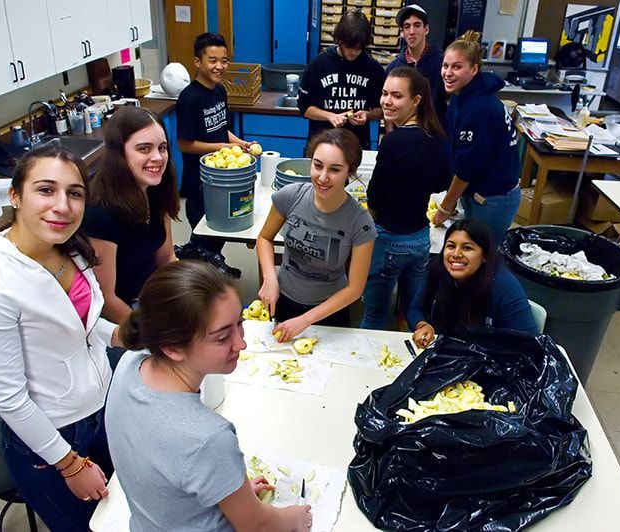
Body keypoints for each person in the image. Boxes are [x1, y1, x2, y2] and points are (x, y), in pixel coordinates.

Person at [0, 146, 119, 530]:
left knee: (121, 515)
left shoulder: (67, 249)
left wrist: (126, 336)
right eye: (46, 190)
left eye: (74, 193)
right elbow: (8, 399)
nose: (62, 206)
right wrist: (69, 464)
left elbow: (81, 324)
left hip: (99, 410)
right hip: (49, 440)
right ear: (14, 195)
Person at [105, 261, 313, 531]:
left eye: (240, 323)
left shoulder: (129, 364)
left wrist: (228, 489)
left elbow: (165, 468)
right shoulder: (209, 438)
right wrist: (296, 518)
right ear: (173, 348)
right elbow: (259, 526)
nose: (241, 343)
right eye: (222, 337)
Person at [257, 129, 377, 341]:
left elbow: (355, 289)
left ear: (350, 172)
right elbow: (264, 238)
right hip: (284, 300)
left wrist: (305, 320)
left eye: (335, 169)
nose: (323, 177)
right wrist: (269, 278)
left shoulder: (360, 221)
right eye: (318, 165)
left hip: (330, 312)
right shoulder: (290, 196)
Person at [360, 67, 449, 330]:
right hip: (420, 240)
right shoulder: (436, 136)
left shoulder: (394, 141)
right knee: (415, 316)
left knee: (374, 316)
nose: (387, 101)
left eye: (397, 96)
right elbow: (442, 182)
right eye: (385, 93)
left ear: (416, 100)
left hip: (389, 240)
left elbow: (375, 195)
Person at [82, 106, 180, 324]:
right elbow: (106, 301)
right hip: (117, 320)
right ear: (119, 153)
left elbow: (166, 259)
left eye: (162, 148)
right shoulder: (99, 214)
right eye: (144, 149)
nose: (157, 157)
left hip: (148, 298)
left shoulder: (155, 190)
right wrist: (146, 337)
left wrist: (191, 294)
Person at [432, 30, 521, 246]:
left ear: (474, 69)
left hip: (494, 198)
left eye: (457, 67)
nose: (448, 73)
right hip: (477, 192)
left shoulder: (478, 108)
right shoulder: (461, 97)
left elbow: (467, 169)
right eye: (446, 66)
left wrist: (444, 208)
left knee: (483, 256)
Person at [177, 32, 252, 255]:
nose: (220, 66)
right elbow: (184, 144)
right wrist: (223, 147)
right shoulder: (189, 98)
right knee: (203, 234)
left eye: (224, 60)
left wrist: (241, 143)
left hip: (221, 179)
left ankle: (214, 261)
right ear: (198, 61)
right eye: (213, 61)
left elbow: (221, 129)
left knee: (219, 231)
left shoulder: (219, 91)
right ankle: (196, 265)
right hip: (199, 181)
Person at [408, 219, 538, 348]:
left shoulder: (504, 287)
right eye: (451, 246)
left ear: (484, 256)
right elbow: (416, 309)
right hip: (447, 352)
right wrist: (423, 325)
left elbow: (530, 343)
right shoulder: (437, 269)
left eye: (467, 248)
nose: (456, 254)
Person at [299, 9, 386, 150]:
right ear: (339, 39)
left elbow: (381, 110)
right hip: (321, 144)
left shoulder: (373, 69)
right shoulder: (318, 64)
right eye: (348, 46)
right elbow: (304, 108)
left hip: (357, 146)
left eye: (358, 48)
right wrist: (330, 116)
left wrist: (367, 115)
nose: (352, 52)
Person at [385, 4, 447, 129]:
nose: (412, 32)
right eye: (407, 26)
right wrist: (391, 135)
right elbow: (388, 110)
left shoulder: (443, 64)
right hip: (403, 136)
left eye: (417, 25)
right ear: (402, 32)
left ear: (426, 29)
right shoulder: (394, 68)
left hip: (434, 136)